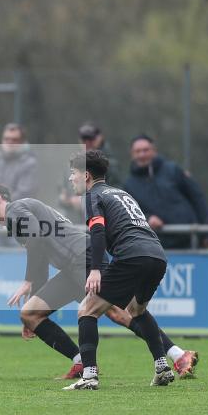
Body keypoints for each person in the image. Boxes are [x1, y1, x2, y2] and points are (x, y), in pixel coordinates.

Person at [0, 180, 197, 382]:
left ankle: (178, 355)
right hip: (71, 267)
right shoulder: (19, 215)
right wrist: (33, 292)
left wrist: (28, 280)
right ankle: (80, 361)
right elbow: (39, 254)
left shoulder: (15, 209)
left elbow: (36, 240)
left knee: (120, 312)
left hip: (83, 259)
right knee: (30, 313)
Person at [66, 150, 179, 390]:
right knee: (136, 310)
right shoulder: (120, 192)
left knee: (87, 310)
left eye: (73, 173)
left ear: (86, 175)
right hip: (157, 255)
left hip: (132, 255)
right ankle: (162, 366)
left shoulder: (93, 196)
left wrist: (95, 269)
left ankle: (89, 376)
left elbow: (97, 232)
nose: (70, 179)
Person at [124, 134, 206, 249]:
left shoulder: (173, 170)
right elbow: (129, 214)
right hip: (156, 246)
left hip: (189, 241)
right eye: (137, 151)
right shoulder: (129, 184)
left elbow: (197, 197)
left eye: (145, 150)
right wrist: (148, 219)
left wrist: (205, 233)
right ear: (132, 154)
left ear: (154, 151)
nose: (142, 154)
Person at [0, 123, 39, 247]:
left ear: (22, 142)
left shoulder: (30, 163)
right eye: (6, 139)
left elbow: (24, 193)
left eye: (14, 140)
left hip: (19, 223)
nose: (10, 142)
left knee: (17, 261)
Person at [58, 123, 120, 222]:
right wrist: (67, 199)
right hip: (74, 220)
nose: (87, 143)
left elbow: (116, 192)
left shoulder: (110, 163)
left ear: (100, 138)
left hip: (100, 219)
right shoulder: (73, 161)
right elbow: (61, 193)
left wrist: (83, 201)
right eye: (84, 139)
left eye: (91, 139)